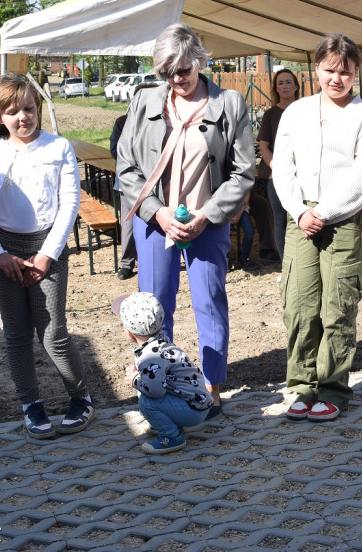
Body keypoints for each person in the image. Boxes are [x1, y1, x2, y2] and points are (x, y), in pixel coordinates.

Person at [117, 23, 254, 419]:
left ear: (198, 60)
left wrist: (208, 215)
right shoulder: (144, 102)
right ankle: (162, 385)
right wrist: (156, 212)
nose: (176, 80)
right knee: (154, 306)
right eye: (166, 73)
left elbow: (243, 172)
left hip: (205, 222)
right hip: (155, 221)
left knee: (209, 302)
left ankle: (210, 388)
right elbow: (126, 167)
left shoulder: (229, 103)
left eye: (182, 71)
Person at [0, 73, 94, 439]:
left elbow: (69, 204)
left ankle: (81, 397)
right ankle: (30, 403)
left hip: (47, 249)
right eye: (12, 111)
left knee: (53, 332)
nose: (22, 117)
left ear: (37, 108)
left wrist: (47, 255)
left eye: (28, 108)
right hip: (4, 250)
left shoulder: (58, 148)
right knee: (17, 333)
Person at [272, 33, 362, 422]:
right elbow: (282, 168)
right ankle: (302, 385)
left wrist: (326, 211)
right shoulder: (296, 113)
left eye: (346, 71)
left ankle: (334, 386)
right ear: (315, 68)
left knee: (338, 306)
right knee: (300, 305)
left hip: (345, 221)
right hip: (300, 220)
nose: (337, 78)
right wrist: (300, 210)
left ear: (357, 72)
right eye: (329, 70)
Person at [118, 292, 213, 455]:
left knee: (146, 401)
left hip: (192, 411)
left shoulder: (150, 356)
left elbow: (155, 391)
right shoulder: (160, 341)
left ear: (128, 332)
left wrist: (134, 380)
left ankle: (172, 436)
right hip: (196, 402)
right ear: (160, 325)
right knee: (146, 388)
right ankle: (165, 422)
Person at [257, 68, 300, 260]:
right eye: (280, 83)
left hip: (302, 174)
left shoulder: (306, 110)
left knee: (300, 218)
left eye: (288, 81)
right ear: (276, 88)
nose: (285, 86)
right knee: (281, 219)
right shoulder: (270, 114)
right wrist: (276, 167)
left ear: (296, 85)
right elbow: (263, 146)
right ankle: (286, 263)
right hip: (276, 176)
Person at [110, 113, 138, 280]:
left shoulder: (163, 119)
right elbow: (115, 150)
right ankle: (127, 264)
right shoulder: (122, 122)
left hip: (156, 183)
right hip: (128, 183)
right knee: (128, 226)